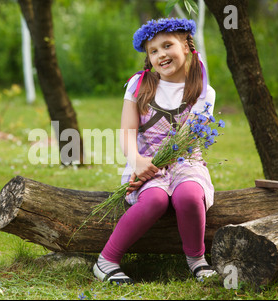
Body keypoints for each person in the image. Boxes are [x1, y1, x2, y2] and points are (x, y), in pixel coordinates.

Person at [93, 18, 217, 284]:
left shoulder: (202, 90)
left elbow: (187, 137)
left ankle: (196, 259)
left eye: (167, 45)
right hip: (145, 161)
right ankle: (106, 261)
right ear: (148, 58)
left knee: (189, 196)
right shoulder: (140, 85)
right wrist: (137, 162)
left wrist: (164, 164)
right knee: (156, 200)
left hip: (186, 161)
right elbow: (127, 130)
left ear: (185, 46)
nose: (161, 54)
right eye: (154, 51)